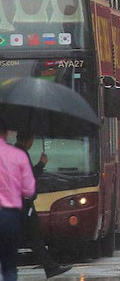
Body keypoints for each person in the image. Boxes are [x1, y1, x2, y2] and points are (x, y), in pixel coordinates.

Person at [13, 132, 71, 278]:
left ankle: (50, 267)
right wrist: (41, 164)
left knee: (31, 238)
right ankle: (50, 268)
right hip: (24, 204)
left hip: (20, 202)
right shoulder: (21, 153)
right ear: (29, 140)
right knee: (34, 237)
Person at [0, 118, 36, 281]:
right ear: (7, 133)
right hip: (9, 216)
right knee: (9, 266)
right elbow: (29, 189)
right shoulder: (18, 155)